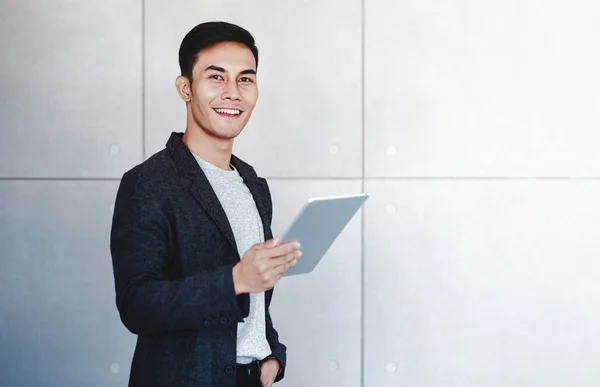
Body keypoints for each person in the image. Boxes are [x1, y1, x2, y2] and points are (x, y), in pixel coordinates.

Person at [109, 21, 302, 387]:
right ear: (185, 87)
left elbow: (256, 302)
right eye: (216, 77)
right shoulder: (148, 183)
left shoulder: (252, 184)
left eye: (245, 79)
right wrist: (233, 281)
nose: (233, 93)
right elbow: (137, 305)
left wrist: (272, 354)